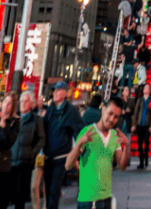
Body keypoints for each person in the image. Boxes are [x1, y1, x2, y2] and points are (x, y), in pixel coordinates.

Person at [65, 96, 129, 209]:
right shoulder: (87, 132)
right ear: (103, 110)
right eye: (110, 113)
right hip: (87, 199)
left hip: (106, 199)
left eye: (116, 116)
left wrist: (127, 146)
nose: (112, 119)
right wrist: (79, 144)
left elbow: (122, 166)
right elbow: (68, 165)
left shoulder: (115, 136)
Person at [43, 81, 83, 209]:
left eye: (57, 90)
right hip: (48, 156)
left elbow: (80, 130)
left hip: (62, 157)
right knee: (48, 190)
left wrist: (77, 150)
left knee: (55, 190)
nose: (54, 93)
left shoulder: (70, 110)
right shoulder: (50, 109)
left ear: (65, 93)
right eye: (54, 90)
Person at [10, 91, 44, 209]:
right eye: (22, 101)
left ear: (32, 104)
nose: (23, 104)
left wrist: (32, 153)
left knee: (20, 195)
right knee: (9, 193)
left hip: (25, 161)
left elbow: (41, 139)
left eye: (26, 101)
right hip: (11, 159)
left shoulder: (36, 120)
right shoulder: (14, 118)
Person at [132, 83, 151, 171]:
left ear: (149, 90)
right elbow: (136, 112)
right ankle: (141, 162)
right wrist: (134, 124)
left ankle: (146, 159)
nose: (145, 89)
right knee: (140, 143)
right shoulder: (140, 100)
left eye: (147, 88)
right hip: (140, 124)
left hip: (147, 125)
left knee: (147, 142)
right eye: (144, 88)